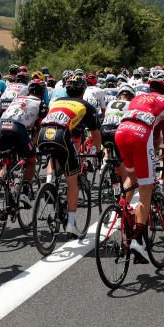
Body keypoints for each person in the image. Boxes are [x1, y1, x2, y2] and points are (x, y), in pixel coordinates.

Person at [114, 69, 164, 260]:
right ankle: (137, 240)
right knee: (146, 188)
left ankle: (122, 211)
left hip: (121, 132)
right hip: (141, 136)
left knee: (131, 177)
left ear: (150, 86)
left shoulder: (137, 98)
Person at [38, 74, 102, 235]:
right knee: (72, 181)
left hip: (43, 134)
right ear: (83, 90)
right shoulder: (86, 106)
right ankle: (71, 225)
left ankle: (50, 183)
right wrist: (98, 153)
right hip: (62, 135)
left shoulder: (57, 101)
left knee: (54, 155)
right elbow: (95, 134)